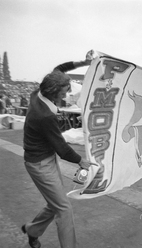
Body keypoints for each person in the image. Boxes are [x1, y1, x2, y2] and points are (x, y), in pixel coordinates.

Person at [21, 50, 95, 248]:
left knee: (56, 204)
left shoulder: (39, 92)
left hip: (45, 158)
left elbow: (60, 69)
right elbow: (62, 148)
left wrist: (84, 62)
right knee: (63, 208)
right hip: (39, 164)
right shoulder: (44, 116)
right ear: (54, 92)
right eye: (64, 91)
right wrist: (81, 161)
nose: (66, 94)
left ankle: (32, 230)